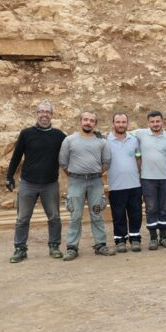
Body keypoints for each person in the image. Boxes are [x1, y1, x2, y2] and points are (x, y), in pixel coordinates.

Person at [6, 100, 66, 263]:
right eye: (41, 111)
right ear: (36, 114)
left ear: (52, 115)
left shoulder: (59, 136)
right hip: (28, 184)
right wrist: (9, 176)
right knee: (22, 218)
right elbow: (16, 156)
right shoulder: (26, 134)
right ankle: (20, 249)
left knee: (54, 217)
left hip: (50, 184)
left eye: (47, 112)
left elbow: (74, 147)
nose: (44, 114)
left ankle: (54, 246)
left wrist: (97, 136)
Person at [59, 111, 114, 260]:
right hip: (76, 182)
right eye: (85, 120)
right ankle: (72, 247)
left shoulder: (101, 142)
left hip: (96, 182)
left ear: (95, 124)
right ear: (80, 121)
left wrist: (94, 173)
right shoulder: (69, 140)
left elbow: (106, 162)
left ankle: (100, 245)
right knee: (75, 216)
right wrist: (75, 174)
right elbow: (63, 163)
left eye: (91, 120)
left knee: (97, 214)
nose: (88, 123)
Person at [134, 111, 166, 250]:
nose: (155, 124)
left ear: (162, 121)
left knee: (164, 208)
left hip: (165, 179)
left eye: (157, 121)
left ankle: (164, 237)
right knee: (151, 208)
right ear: (148, 123)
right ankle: (153, 238)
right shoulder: (140, 133)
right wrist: (103, 135)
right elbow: (122, 133)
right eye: (152, 122)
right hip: (147, 179)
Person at [106, 112, 142, 253]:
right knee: (118, 214)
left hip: (134, 184)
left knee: (136, 213)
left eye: (123, 122)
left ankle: (135, 239)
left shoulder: (134, 140)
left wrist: (133, 172)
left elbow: (138, 158)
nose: (121, 125)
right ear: (113, 123)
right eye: (118, 122)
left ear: (127, 123)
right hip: (116, 186)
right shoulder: (105, 140)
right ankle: (120, 240)